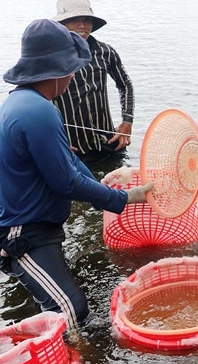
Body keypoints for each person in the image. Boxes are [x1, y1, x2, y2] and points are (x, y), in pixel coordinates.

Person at [0, 19, 152, 331]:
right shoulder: (39, 112)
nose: (72, 75)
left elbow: (67, 160)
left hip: (38, 224)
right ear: (55, 71)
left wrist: (99, 187)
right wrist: (124, 198)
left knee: (69, 306)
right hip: (22, 232)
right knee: (71, 310)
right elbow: (66, 182)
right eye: (71, 68)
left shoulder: (25, 102)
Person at [51, 0, 135, 166]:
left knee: (119, 185)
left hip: (108, 142)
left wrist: (127, 122)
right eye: (75, 20)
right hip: (72, 147)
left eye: (87, 20)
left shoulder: (105, 52)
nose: (82, 26)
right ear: (62, 24)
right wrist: (53, 141)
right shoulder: (52, 57)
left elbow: (125, 85)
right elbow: (41, 102)